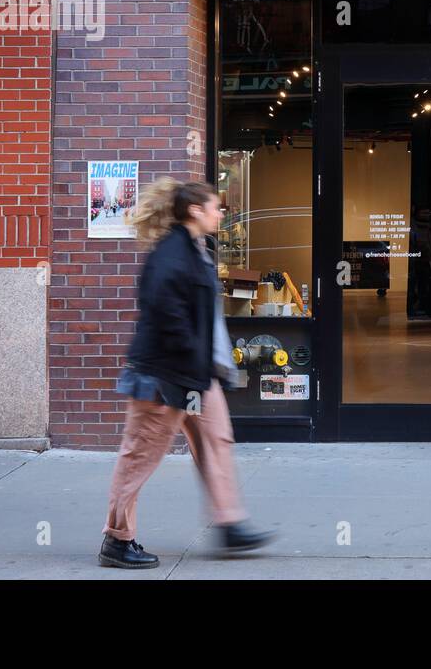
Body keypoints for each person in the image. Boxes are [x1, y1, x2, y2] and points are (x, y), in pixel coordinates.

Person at [99, 177, 274, 569]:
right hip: (164, 376)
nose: (221, 212)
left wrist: (215, 365)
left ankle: (231, 525)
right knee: (139, 456)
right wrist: (192, 356)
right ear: (195, 210)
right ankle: (117, 541)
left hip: (198, 374)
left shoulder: (198, 250)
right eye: (216, 206)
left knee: (218, 441)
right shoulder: (170, 254)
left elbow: (204, 319)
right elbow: (164, 314)